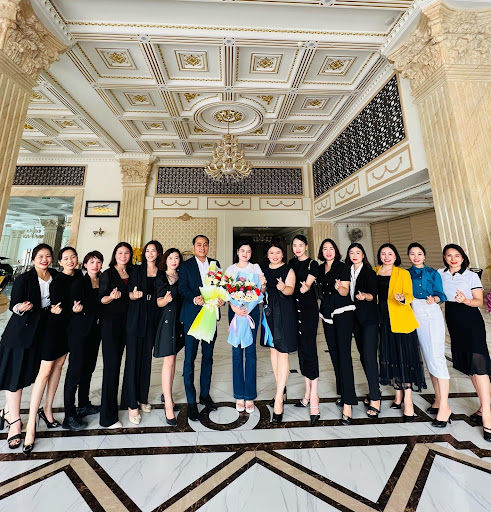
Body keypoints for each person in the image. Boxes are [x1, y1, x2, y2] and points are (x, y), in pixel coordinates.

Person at [23, 246, 83, 454]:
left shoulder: (78, 276)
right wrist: (59, 310)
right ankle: (31, 425)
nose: (70, 260)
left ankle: (47, 411)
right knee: (45, 372)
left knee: (58, 367)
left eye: (73, 257)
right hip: (52, 328)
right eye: (65, 258)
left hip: (68, 330)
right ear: (60, 261)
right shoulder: (56, 280)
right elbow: (53, 305)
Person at [0, 244, 58, 450]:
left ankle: (6, 411)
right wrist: (20, 307)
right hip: (20, 333)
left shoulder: (55, 277)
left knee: (26, 374)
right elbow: (14, 303)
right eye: (40, 256)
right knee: (14, 377)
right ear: (33, 259)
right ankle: (15, 422)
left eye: (48, 256)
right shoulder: (24, 279)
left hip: (41, 333)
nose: (44, 259)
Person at [438, 244, 491, 441]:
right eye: (449, 255)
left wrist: (465, 300)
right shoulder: (440, 274)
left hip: (471, 321)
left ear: (462, 257)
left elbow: (479, 300)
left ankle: (488, 417)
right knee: (469, 367)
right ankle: (483, 407)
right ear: (444, 257)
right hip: (454, 323)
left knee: (479, 366)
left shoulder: (470, 276)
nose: (453, 259)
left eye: (457, 255)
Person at [374, 243, 426, 422]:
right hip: (383, 322)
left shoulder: (402, 273)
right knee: (390, 356)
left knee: (405, 358)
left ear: (395, 256)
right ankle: (398, 394)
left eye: (390, 253)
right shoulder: (374, 272)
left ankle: (408, 400)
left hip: (401, 321)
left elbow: (409, 295)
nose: (386, 256)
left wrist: (403, 298)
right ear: (379, 256)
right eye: (383, 253)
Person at [178, 235, 223, 421]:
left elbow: (220, 287)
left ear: (208, 247)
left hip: (210, 315)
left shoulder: (215, 264)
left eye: (205, 244)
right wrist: (194, 298)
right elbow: (182, 287)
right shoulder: (186, 266)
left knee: (208, 357)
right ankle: (191, 401)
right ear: (193, 247)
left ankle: (205, 395)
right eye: (199, 245)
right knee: (189, 359)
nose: (202, 247)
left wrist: (221, 299)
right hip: (193, 317)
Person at [121, 241, 164, 425]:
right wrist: (133, 295)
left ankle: (142, 398)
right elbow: (128, 293)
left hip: (152, 319)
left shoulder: (161, 273)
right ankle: (132, 404)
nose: (150, 253)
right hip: (136, 317)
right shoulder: (136, 271)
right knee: (133, 361)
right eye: (148, 250)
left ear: (158, 253)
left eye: (153, 250)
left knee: (146, 360)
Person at [407, 243, 450, 426]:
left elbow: (442, 294)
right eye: (412, 254)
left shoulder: (433, 273)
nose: (416, 257)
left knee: (437, 357)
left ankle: (445, 407)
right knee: (428, 357)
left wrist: (435, 299)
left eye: (419, 253)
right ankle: (438, 399)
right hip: (415, 312)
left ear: (424, 256)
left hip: (431, 311)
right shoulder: (406, 274)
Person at [63, 251, 104, 431]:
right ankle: (69, 414)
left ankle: (84, 403)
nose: (95, 265)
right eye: (91, 262)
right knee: (75, 371)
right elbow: (71, 306)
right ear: (85, 265)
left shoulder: (103, 281)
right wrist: (76, 310)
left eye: (98, 262)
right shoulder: (79, 283)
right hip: (79, 332)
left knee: (89, 368)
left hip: (96, 330)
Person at [317, 239, 357, 425]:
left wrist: (340, 286)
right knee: (334, 354)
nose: (328, 251)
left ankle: (348, 403)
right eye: (325, 249)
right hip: (326, 313)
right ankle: (342, 392)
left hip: (342, 311)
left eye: (331, 248)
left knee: (344, 355)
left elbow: (345, 292)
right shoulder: (320, 269)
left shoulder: (342, 267)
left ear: (336, 251)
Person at [225, 240, 265, 415]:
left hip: (252, 310)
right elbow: (225, 291)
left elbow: (261, 290)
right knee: (236, 351)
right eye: (242, 250)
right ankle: (238, 395)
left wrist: (263, 284)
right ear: (237, 251)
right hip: (235, 311)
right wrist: (234, 307)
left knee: (250, 352)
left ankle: (249, 395)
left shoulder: (255, 268)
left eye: (248, 251)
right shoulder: (231, 269)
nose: (245, 254)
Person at [261, 240, 298, 424]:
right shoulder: (263, 269)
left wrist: (283, 287)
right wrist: (261, 286)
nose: (275, 256)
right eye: (271, 253)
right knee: (273, 351)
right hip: (268, 314)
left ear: (283, 254)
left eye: (278, 252)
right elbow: (261, 292)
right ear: (267, 255)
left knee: (282, 352)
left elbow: (290, 290)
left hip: (284, 313)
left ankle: (278, 400)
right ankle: (281, 390)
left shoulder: (288, 270)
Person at [99, 242, 133, 429]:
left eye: (127, 253)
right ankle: (108, 417)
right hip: (111, 325)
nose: (123, 256)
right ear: (115, 254)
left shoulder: (132, 272)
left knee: (129, 365)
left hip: (129, 323)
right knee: (111, 368)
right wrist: (111, 297)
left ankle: (127, 402)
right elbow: (102, 299)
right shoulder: (108, 273)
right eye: (120, 252)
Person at [288, 235, 321, 426]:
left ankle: (314, 397)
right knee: (301, 352)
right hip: (294, 311)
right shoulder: (291, 263)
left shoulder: (312, 264)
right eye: (295, 245)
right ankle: (307, 393)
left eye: (300, 245)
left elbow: (308, 283)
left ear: (306, 246)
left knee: (310, 350)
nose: (297, 248)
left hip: (308, 312)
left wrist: (306, 286)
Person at [346, 243, 380, 418]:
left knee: (369, 356)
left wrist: (365, 296)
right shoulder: (347, 271)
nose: (354, 255)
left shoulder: (369, 272)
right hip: (354, 319)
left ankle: (375, 398)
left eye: (358, 252)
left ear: (363, 255)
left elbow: (373, 294)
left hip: (369, 320)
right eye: (351, 252)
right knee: (362, 356)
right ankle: (374, 390)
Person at [155, 248, 185, 426]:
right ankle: (168, 404)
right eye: (170, 258)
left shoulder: (182, 276)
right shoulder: (161, 277)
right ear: (165, 260)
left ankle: (168, 394)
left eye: (177, 258)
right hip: (167, 321)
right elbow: (158, 302)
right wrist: (165, 300)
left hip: (179, 321)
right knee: (169, 361)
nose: (174, 261)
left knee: (173, 360)